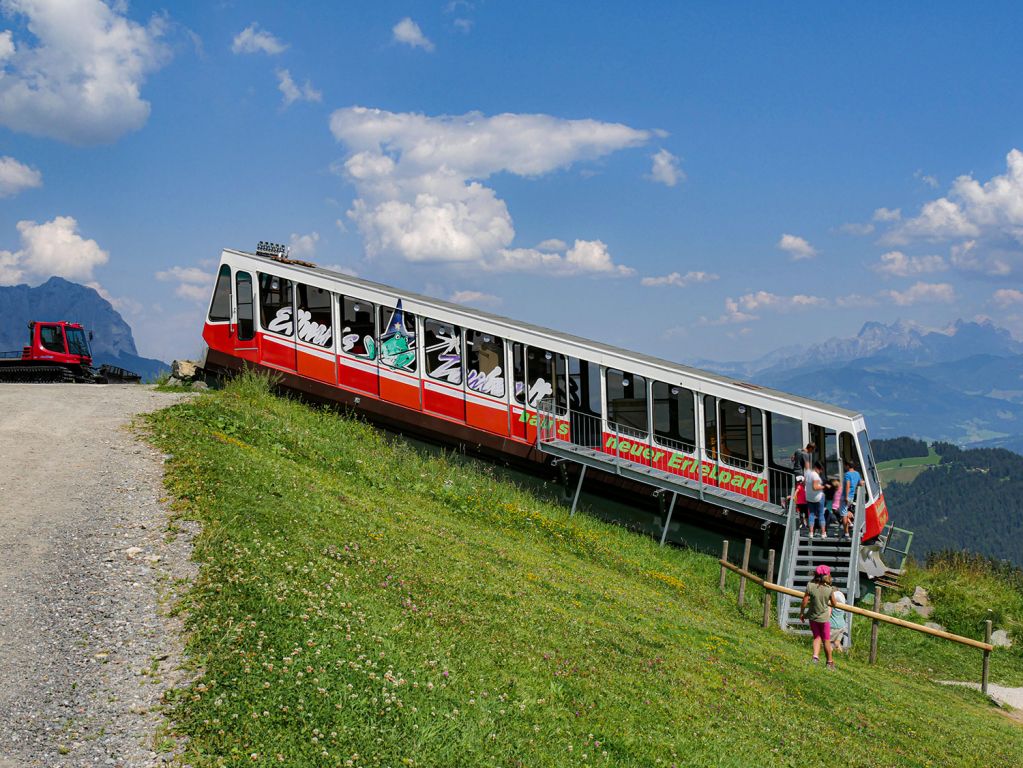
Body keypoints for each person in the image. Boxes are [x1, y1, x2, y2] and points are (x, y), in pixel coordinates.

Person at [800, 564, 840, 668]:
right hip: (824, 619)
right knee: (826, 640)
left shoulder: (810, 585)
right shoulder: (829, 589)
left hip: (812, 617)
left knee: (816, 637)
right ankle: (829, 662)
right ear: (827, 576)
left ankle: (815, 657)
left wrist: (802, 613)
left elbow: (804, 601)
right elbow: (835, 604)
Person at [804, 461, 827, 538]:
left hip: (809, 497)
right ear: (817, 468)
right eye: (820, 470)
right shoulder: (816, 476)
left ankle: (811, 533)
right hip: (818, 497)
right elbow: (815, 487)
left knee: (811, 514)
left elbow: (804, 483)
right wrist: (824, 487)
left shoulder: (807, 473)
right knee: (821, 514)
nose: (820, 471)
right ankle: (823, 533)